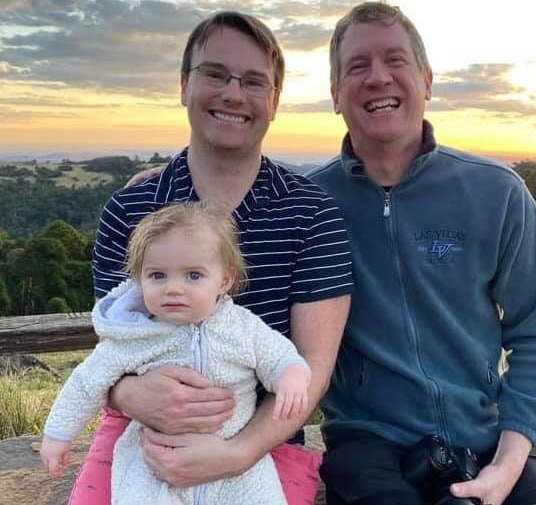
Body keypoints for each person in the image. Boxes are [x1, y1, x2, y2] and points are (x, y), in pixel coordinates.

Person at [68, 11, 352, 505]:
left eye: (253, 81)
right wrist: (132, 396)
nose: (233, 93)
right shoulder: (131, 209)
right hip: (140, 442)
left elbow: (312, 368)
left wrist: (238, 452)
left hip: (265, 444)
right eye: (215, 74)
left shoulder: (312, 214)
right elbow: (113, 343)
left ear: (274, 101)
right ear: (184, 85)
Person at [308, 3, 536, 505]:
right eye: (357, 66)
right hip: (368, 444)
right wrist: (172, 183)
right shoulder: (308, 205)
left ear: (427, 81)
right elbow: (220, 232)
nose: (378, 77)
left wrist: (506, 463)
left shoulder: (496, 192)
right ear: (335, 94)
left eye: (396, 61)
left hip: (489, 433)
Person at [41, 202, 312, 504]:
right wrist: (57, 436)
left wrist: (291, 375)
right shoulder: (134, 336)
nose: (174, 288)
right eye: (158, 276)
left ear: (224, 280)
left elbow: (278, 356)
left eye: (193, 276)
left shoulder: (242, 328)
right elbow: (86, 382)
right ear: (138, 280)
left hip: (238, 468)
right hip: (155, 464)